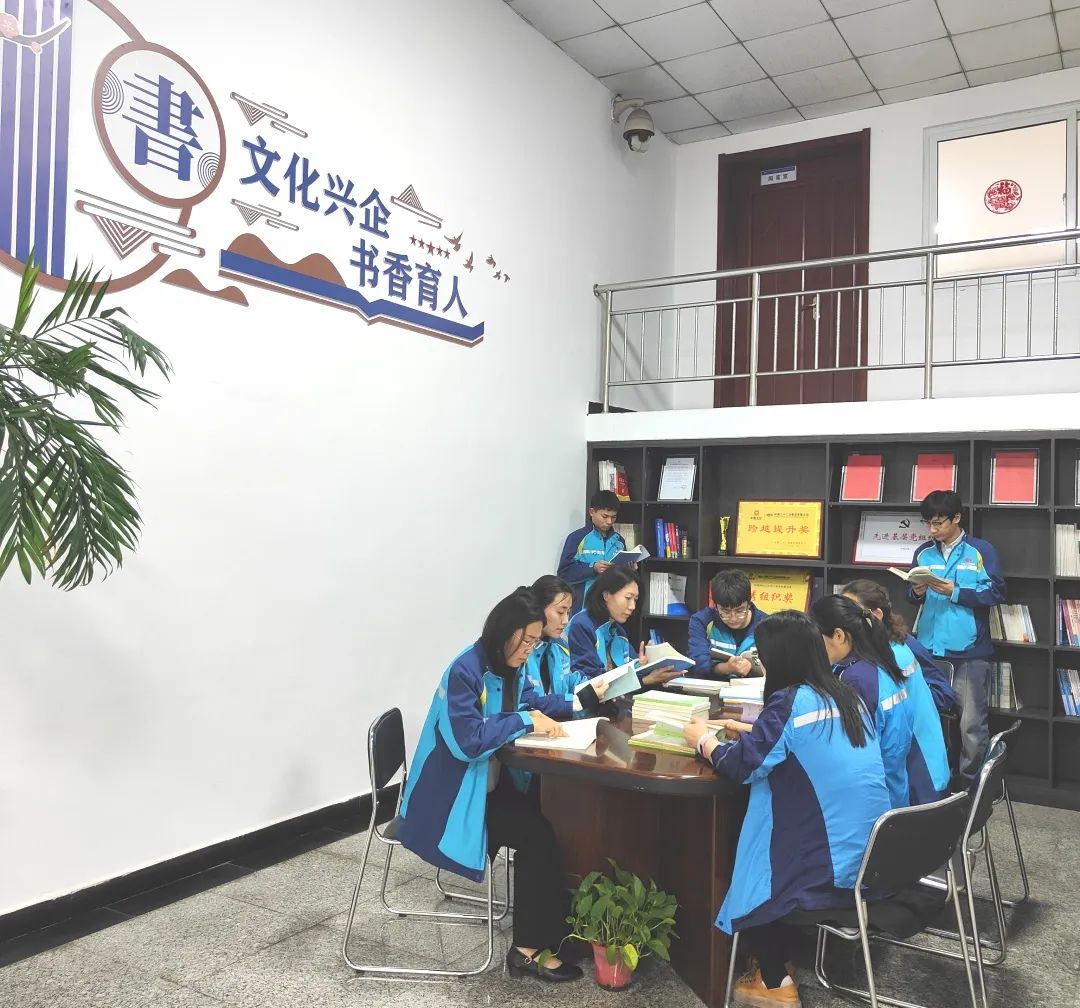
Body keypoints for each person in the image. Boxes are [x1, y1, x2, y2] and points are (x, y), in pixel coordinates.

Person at [683, 611, 889, 1008]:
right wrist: (755, 731)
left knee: (753, 855)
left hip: (828, 865)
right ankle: (776, 959)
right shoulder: (845, 694)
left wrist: (703, 740)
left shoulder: (789, 702)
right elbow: (804, 741)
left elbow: (744, 767)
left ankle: (774, 980)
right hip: (871, 853)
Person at [397, 588, 583, 982]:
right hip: (450, 800)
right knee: (537, 834)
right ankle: (527, 951)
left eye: (535, 642)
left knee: (553, 817)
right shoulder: (465, 671)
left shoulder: (511, 667)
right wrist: (525, 720)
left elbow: (531, 705)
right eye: (527, 640)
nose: (530, 650)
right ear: (505, 631)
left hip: (488, 787)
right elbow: (468, 742)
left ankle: (556, 930)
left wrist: (575, 707)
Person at [909, 490, 1005, 784]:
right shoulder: (923, 553)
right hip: (928, 649)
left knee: (971, 725)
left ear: (957, 518)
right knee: (928, 720)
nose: (932, 530)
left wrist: (956, 592)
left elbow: (996, 592)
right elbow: (912, 596)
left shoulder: (980, 551)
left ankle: (970, 785)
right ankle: (935, 781)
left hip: (968, 651)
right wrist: (916, 591)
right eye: (928, 523)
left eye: (938, 523)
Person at [843, 579, 951, 804]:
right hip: (924, 766)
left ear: (876, 615)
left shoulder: (886, 659)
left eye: (851, 613)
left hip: (919, 775)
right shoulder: (896, 642)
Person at [811, 595, 915, 809]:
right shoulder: (876, 662)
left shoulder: (855, 679)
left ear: (838, 635)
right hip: (895, 788)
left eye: (816, 639)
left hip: (872, 801)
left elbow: (848, 752)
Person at [566, 566, 683, 693]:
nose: (633, 606)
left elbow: (632, 669)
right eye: (628, 598)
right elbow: (592, 684)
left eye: (635, 600)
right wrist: (644, 680)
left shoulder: (618, 630)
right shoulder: (582, 625)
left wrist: (647, 664)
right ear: (606, 595)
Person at [526, 574, 607, 716]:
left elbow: (568, 681)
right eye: (560, 612)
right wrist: (578, 700)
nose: (565, 620)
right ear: (538, 608)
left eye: (568, 612)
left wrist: (594, 685)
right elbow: (529, 703)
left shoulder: (560, 644)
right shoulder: (522, 650)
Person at [688, 569, 767, 678]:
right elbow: (697, 664)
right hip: (714, 685)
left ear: (749, 604)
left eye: (740, 611)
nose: (733, 618)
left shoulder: (767, 625)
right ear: (715, 606)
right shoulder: (701, 621)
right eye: (725, 612)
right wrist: (727, 668)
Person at [557, 489, 627, 612]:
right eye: (604, 516)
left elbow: (623, 577)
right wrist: (593, 568)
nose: (609, 522)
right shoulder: (577, 538)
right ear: (592, 512)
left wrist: (630, 569)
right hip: (583, 607)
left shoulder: (619, 541)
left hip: (612, 607)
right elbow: (564, 573)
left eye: (613, 517)